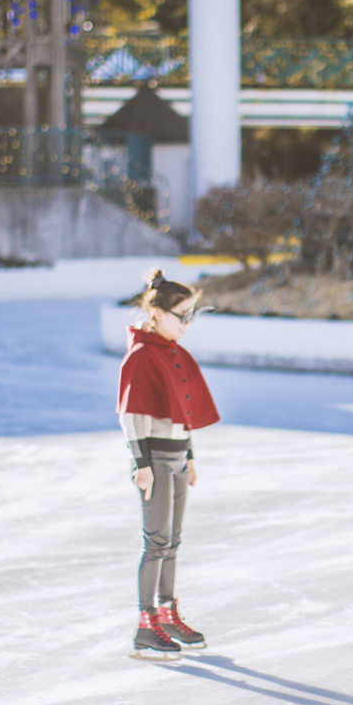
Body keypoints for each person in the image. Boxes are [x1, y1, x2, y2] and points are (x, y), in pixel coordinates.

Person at [116, 269, 220, 660]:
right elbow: (132, 416)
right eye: (182, 315)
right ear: (157, 313)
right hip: (156, 461)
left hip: (176, 458)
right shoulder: (142, 356)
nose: (188, 324)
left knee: (172, 542)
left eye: (192, 315)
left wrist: (189, 456)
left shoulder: (173, 353)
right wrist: (141, 463)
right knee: (157, 542)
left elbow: (184, 411)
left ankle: (167, 611)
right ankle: (146, 625)